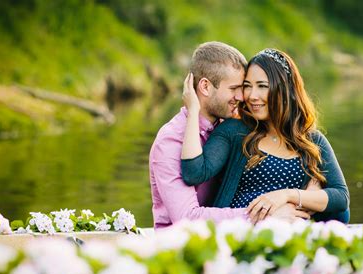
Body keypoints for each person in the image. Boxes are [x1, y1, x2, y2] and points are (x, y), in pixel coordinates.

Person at [149, 42, 312, 229]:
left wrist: (310, 188)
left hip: (225, 238)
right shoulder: (170, 141)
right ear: (205, 87)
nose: (243, 97)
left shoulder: (228, 129)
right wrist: (266, 214)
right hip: (179, 247)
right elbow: (187, 218)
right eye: (234, 88)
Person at [181, 48, 350, 224]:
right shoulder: (234, 131)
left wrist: (289, 195)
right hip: (241, 232)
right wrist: (194, 110)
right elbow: (193, 172)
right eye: (247, 86)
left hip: (291, 236)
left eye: (262, 86)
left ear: (285, 89)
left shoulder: (311, 140)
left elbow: (341, 198)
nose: (252, 96)